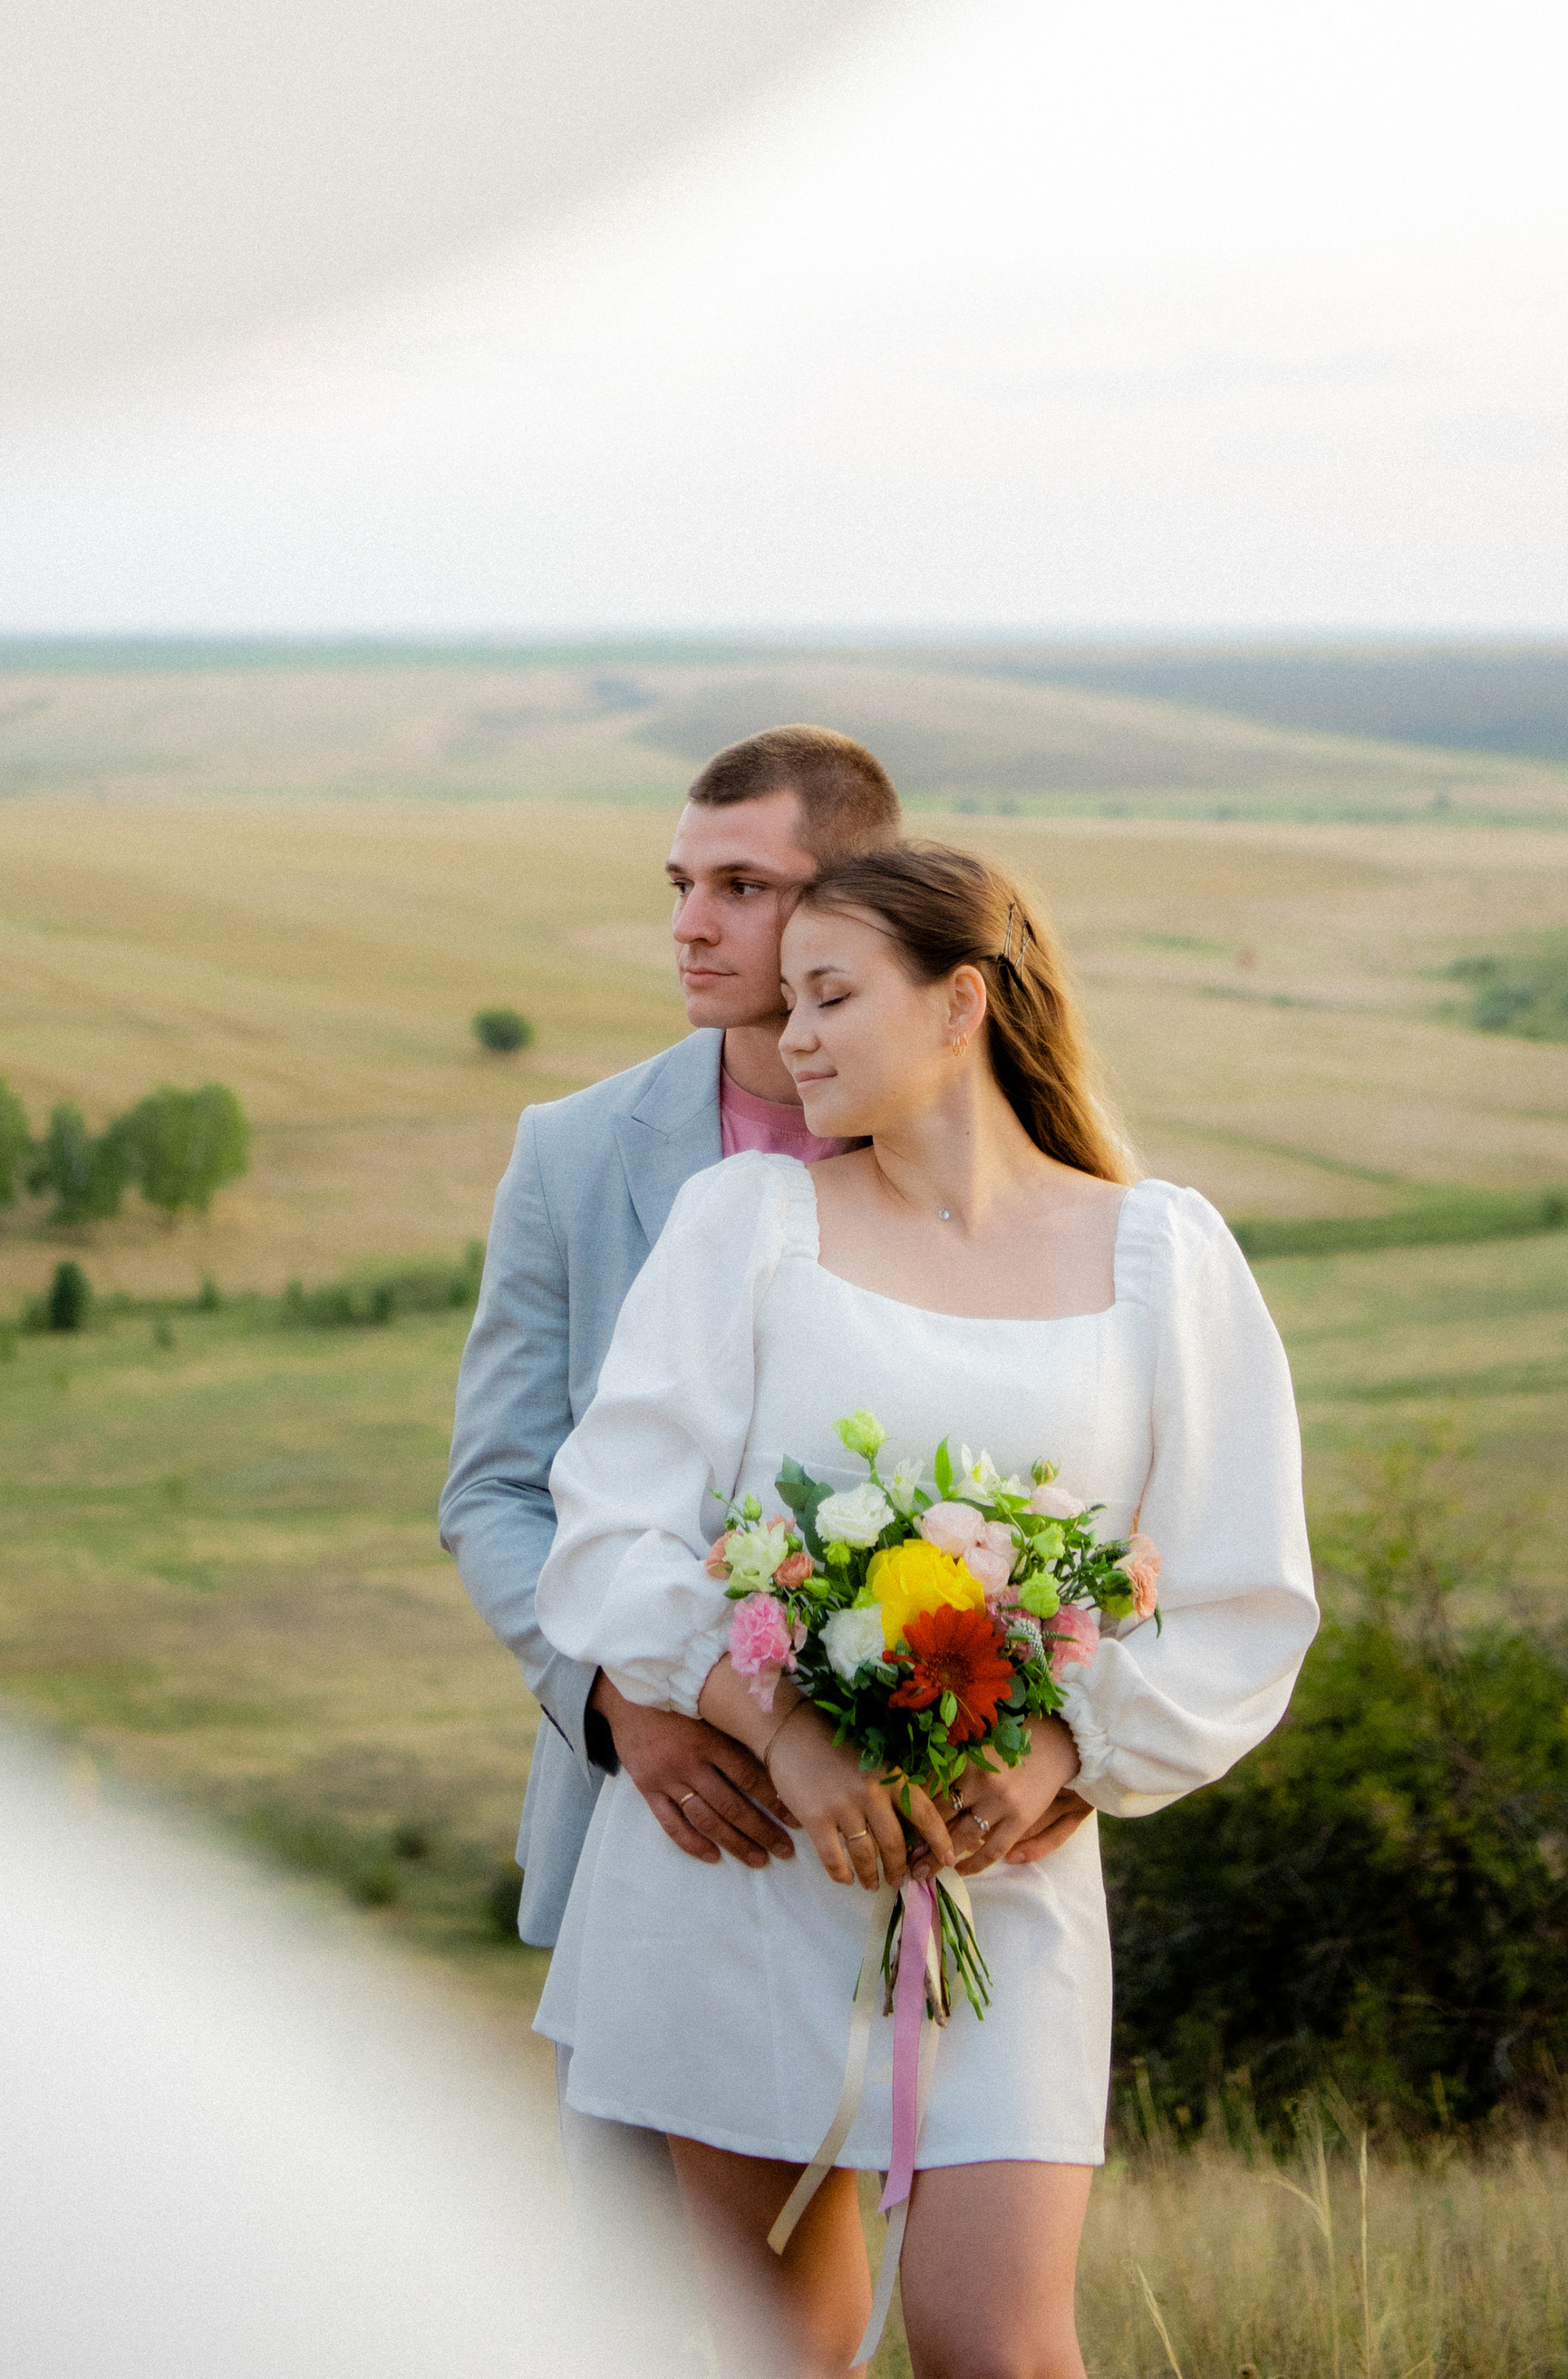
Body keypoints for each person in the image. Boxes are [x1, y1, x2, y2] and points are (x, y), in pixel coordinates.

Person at [533, 845, 1319, 2379]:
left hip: (1000, 1882)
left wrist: (1063, 1754)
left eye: (831, 995)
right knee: (783, 2348)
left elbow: (1241, 1590)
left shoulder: (1165, 1254)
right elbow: (611, 1530)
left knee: (999, 2346)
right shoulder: (748, 1222)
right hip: (748, 1861)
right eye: (788, 1001)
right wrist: (794, 1734)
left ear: (963, 999)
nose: (794, 1036)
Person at [442, 722, 1121, 2274]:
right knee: (665, 2316)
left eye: (742, 887)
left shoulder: (1020, 1198)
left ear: (852, 901)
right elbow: (497, 1487)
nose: (691, 922)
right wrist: (629, 1701)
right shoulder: (576, 1152)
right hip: (676, 1821)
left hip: (943, 1845)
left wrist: (1046, 1728)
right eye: (682, 881)